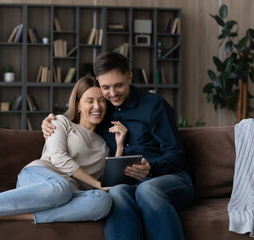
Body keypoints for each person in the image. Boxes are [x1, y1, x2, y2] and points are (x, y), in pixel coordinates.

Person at [0, 76, 129, 224]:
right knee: (61, 188)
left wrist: (119, 146)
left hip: (68, 195)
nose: (97, 106)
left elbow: (108, 183)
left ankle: (16, 215)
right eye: (90, 100)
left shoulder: (105, 144)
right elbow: (58, 158)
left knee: (102, 201)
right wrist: (94, 182)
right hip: (40, 178)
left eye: (101, 100)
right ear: (77, 105)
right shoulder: (60, 122)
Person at [41, 52, 194, 240]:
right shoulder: (102, 110)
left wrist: (151, 167)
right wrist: (49, 121)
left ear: (129, 77)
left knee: (147, 190)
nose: (112, 94)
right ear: (98, 82)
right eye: (105, 87)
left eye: (119, 85)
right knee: (117, 192)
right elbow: (75, 118)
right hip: (130, 183)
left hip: (171, 178)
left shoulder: (155, 106)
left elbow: (177, 154)